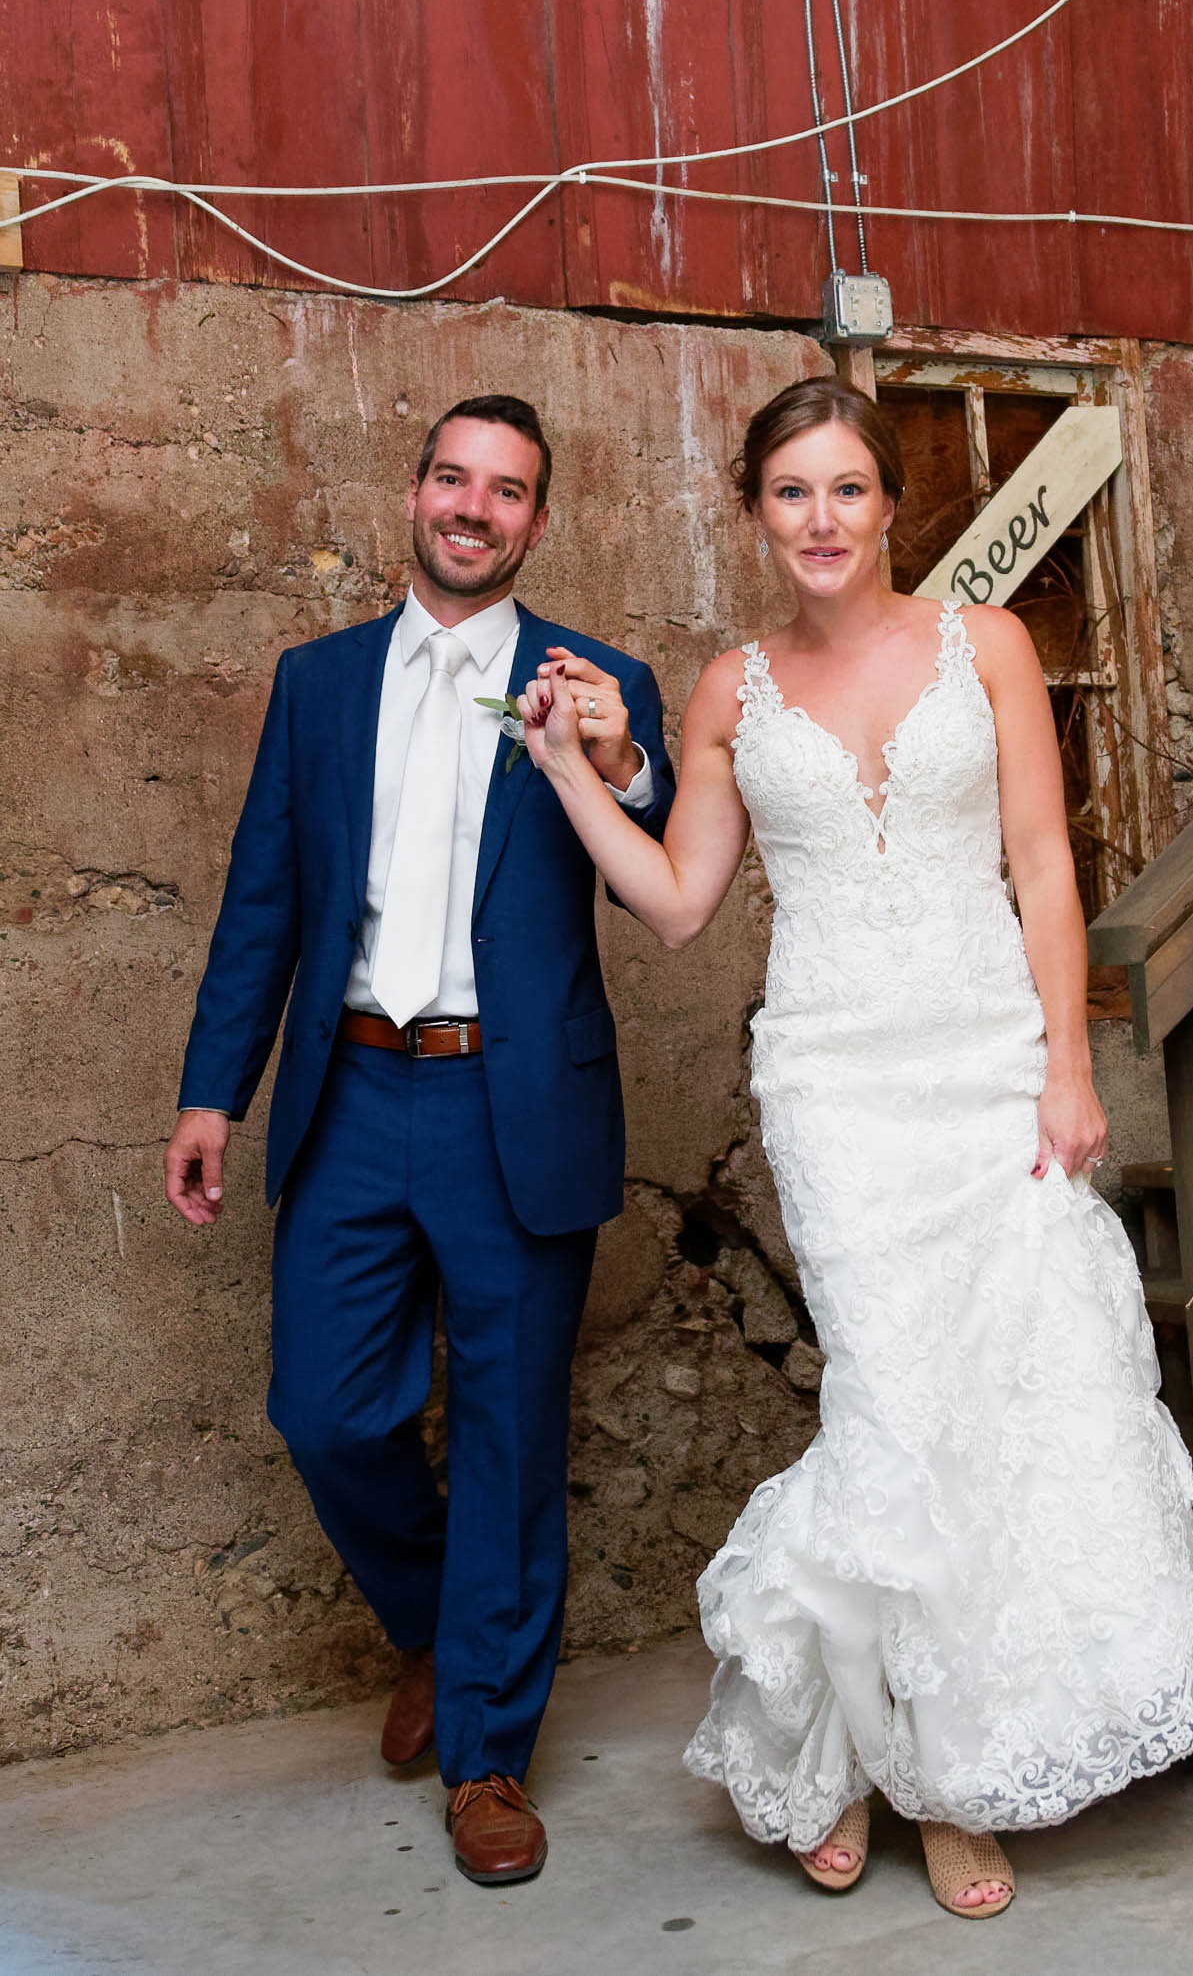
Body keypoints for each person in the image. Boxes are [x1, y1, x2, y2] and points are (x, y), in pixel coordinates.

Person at [516, 376, 1193, 1920]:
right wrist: (573, 772)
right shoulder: (728, 689)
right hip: (836, 1087)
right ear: (755, 513)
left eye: (847, 490)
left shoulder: (987, 648)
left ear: (893, 506)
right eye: (791, 495)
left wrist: (1067, 1063)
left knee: (998, 1407)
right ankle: (866, 1749)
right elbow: (677, 901)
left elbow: (1046, 863)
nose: (822, 521)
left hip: (989, 1070)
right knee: (894, 1420)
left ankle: (949, 1776)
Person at [163, 394, 675, 1888]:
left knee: (514, 1437)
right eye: (453, 478)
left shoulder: (594, 682)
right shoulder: (315, 685)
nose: (473, 507)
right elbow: (266, 895)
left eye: (506, 491)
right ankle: (447, 1636)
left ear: (534, 521)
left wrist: (615, 750)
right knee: (325, 1410)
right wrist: (215, 1092)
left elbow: (650, 811)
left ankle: (491, 1756)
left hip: (513, 1102)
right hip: (355, 1092)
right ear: (414, 493)